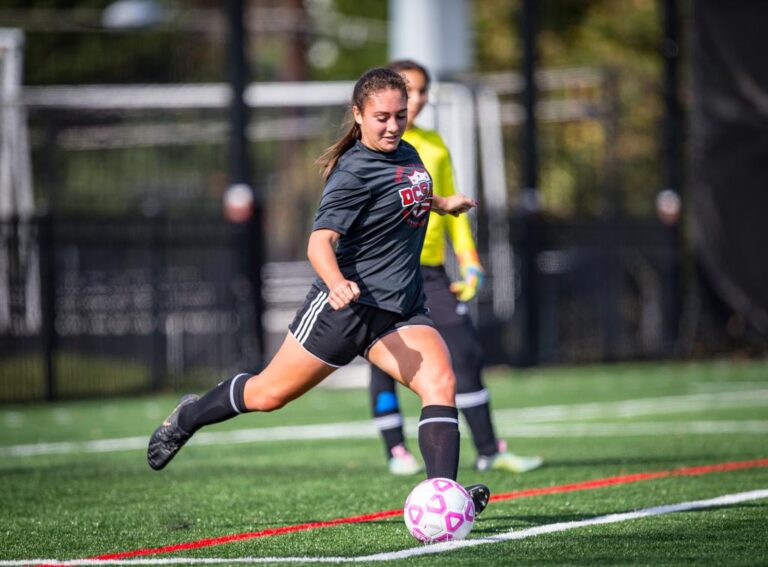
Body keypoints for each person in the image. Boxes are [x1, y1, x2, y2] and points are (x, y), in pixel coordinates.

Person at [147, 67, 491, 514]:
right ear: (358, 115)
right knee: (268, 395)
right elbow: (319, 242)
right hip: (343, 310)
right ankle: (189, 416)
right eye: (381, 117)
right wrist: (336, 283)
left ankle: (444, 501)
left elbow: (411, 194)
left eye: (400, 116)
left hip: (399, 310)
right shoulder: (352, 173)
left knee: (441, 381)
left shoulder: (407, 153)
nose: (392, 125)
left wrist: (445, 204)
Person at [369, 60, 543, 476]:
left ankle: (488, 449)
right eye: (410, 89)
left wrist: (468, 259)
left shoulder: (434, 147)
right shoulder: (368, 152)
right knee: (384, 359)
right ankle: (396, 450)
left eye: (423, 90)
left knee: (464, 351)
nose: (418, 99)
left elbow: (452, 209)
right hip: (381, 273)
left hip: (428, 272)